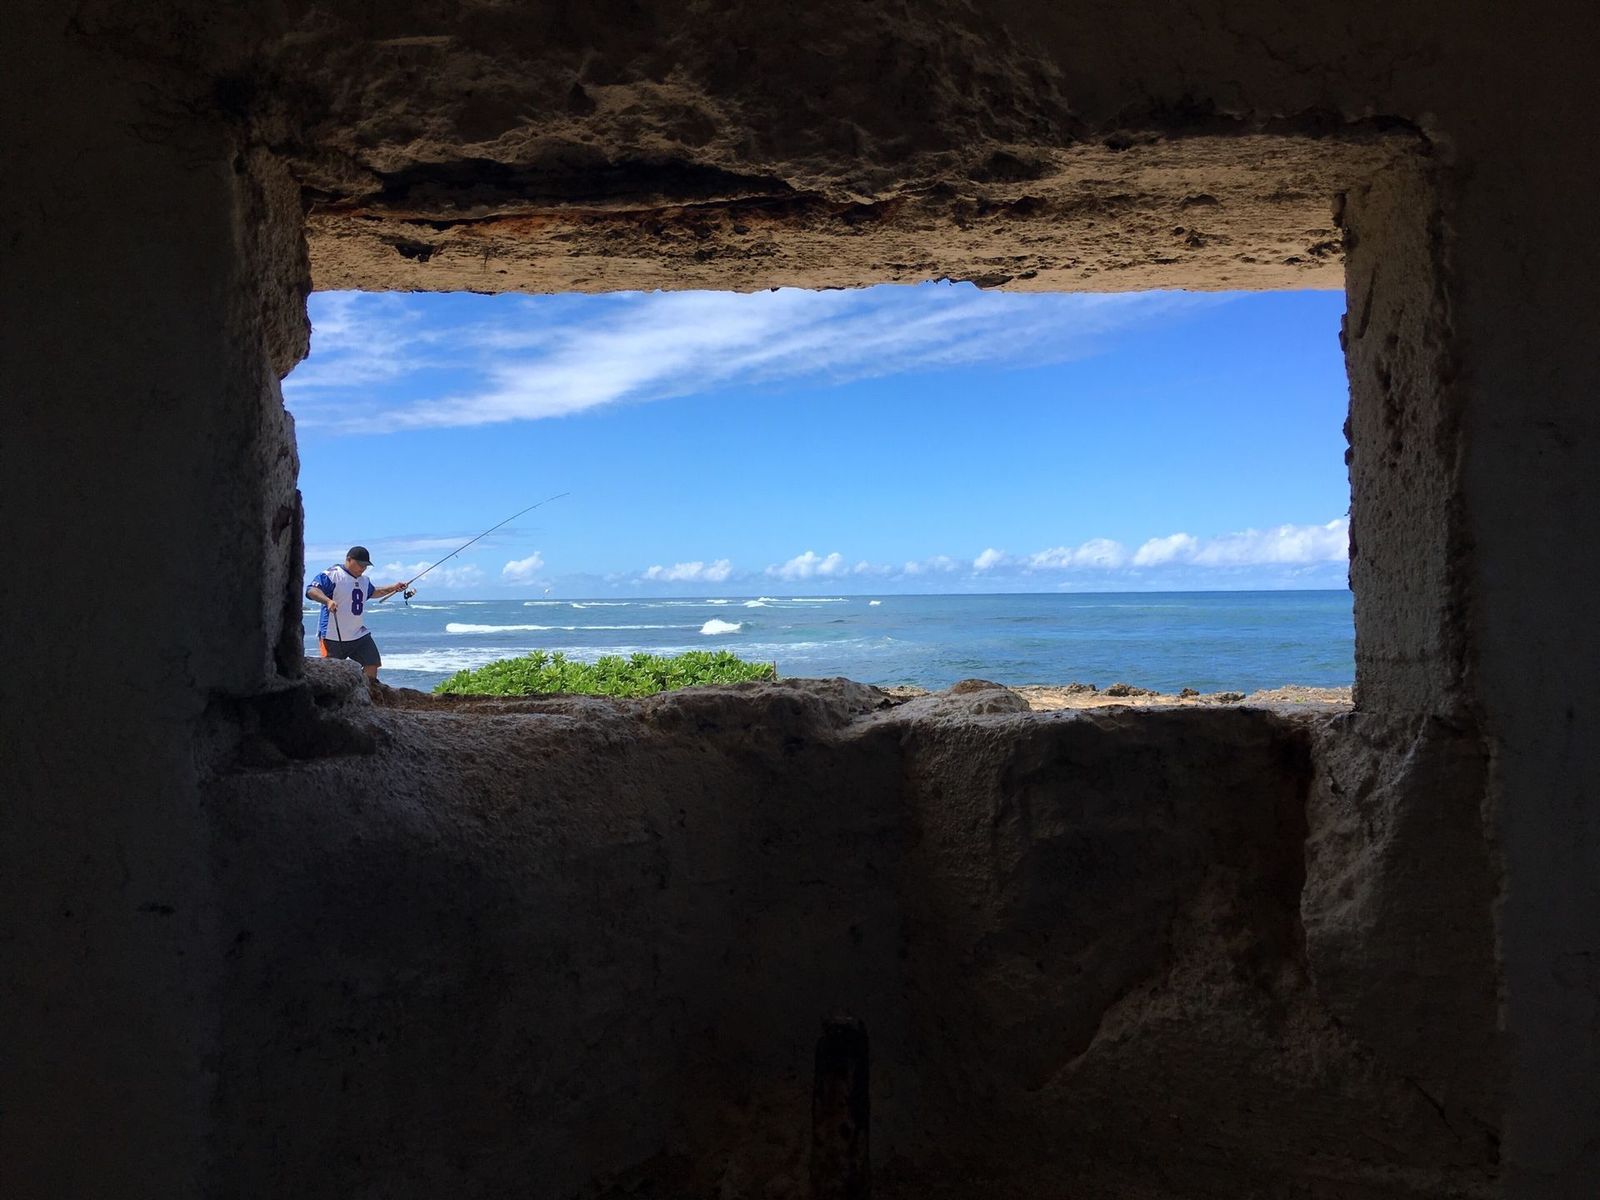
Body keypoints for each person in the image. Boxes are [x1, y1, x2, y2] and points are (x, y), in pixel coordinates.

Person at [306, 546, 412, 681]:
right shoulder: (332, 575)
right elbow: (312, 590)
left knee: (372, 663)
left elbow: (375, 592)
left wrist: (394, 588)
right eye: (360, 564)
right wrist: (327, 601)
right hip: (332, 635)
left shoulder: (364, 580)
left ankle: (367, 690)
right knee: (331, 674)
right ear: (349, 560)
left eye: (366, 566)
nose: (363, 568)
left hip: (358, 634)